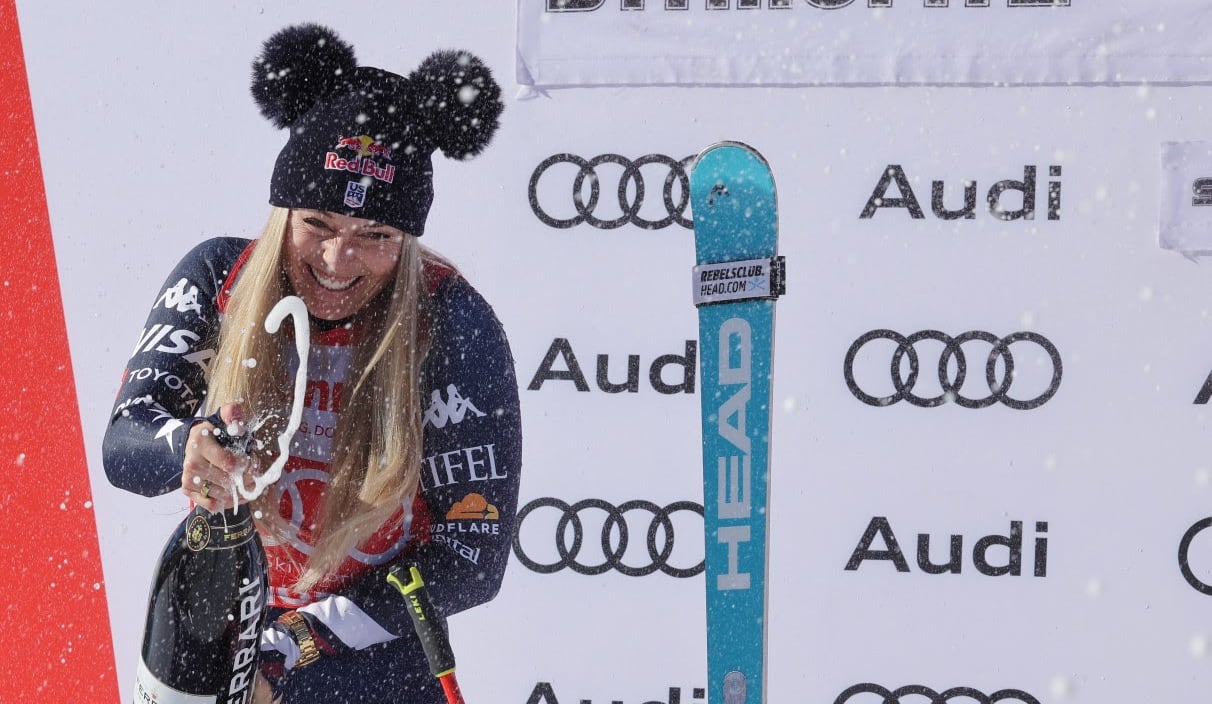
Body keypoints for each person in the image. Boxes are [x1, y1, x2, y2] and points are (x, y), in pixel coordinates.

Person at [102, 23, 521, 704]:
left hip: (370, 660)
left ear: (407, 238)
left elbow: (470, 560)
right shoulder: (219, 276)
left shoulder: (449, 321)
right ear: (283, 211)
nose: (336, 261)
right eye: (318, 224)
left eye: (376, 236)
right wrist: (190, 444)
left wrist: (290, 644)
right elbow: (125, 446)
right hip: (217, 620)